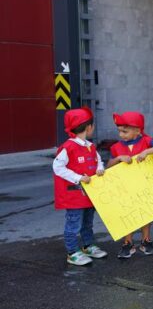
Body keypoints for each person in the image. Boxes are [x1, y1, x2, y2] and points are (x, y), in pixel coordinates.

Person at [53, 107, 108, 266]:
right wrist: (78, 178)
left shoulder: (90, 146)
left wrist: (100, 169)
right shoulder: (68, 147)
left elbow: (99, 161)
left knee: (87, 223)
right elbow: (57, 168)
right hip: (75, 196)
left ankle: (87, 246)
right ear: (88, 127)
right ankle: (72, 252)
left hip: (90, 195)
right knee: (73, 224)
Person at [108, 111, 153, 259]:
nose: (121, 135)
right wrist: (118, 159)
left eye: (125, 131)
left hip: (143, 188)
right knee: (127, 214)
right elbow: (108, 165)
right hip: (125, 188)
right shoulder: (116, 147)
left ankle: (145, 240)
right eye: (119, 131)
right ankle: (127, 242)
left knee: (145, 214)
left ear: (137, 130)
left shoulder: (146, 141)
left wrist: (147, 151)